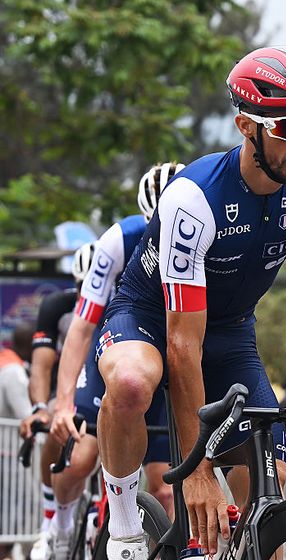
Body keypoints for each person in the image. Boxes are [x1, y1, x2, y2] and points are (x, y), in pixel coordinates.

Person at [93, 46, 286, 560]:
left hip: (231, 331)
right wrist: (194, 469)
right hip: (149, 319)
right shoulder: (194, 199)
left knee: (269, 475)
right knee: (131, 383)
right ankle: (124, 530)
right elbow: (180, 341)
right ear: (246, 126)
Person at [46, 163, 184, 560]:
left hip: (173, 348)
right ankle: (61, 521)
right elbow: (82, 326)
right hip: (120, 343)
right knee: (82, 457)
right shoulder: (121, 239)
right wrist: (62, 405)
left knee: (162, 488)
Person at [19, 244, 93, 560]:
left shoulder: (123, 301)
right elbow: (41, 366)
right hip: (69, 384)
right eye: (82, 288)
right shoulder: (57, 307)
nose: (88, 294)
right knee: (53, 420)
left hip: (106, 381)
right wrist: (38, 409)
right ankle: (51, 520)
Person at [0, 323, 34, 420]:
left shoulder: (4, 361)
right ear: (29, 345)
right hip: (5, 434)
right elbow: (25, 415)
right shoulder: (14, 372)